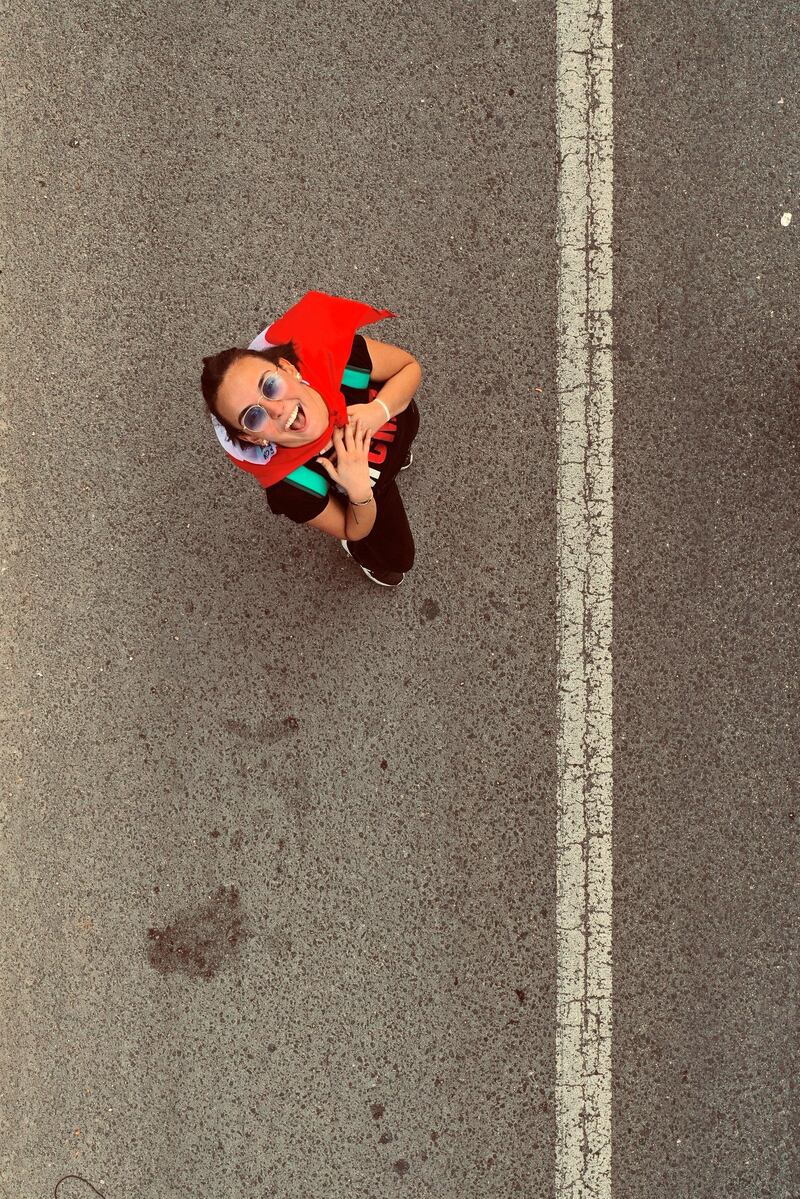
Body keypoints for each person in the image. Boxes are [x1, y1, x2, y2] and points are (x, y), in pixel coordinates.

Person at [201, 291, 422, 587]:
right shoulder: (291, 487)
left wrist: (378, 411)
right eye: (253, 417)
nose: (277, 409)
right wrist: (359, 491)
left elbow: (408, 368)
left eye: (270, 385)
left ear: (288, 369)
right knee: (398, 559)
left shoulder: (340, 358)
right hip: (370, 495)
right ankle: (366, 556)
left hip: (393, 424)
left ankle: (397, 456)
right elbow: (351, 527)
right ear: (251, 438)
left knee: (406, 432)